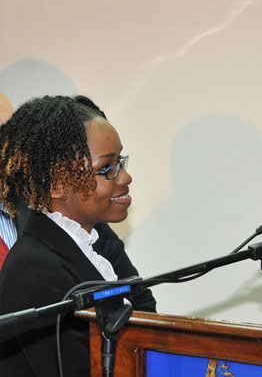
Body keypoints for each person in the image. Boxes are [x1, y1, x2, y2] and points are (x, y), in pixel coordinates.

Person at [0, 95, 156, 376]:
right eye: (107, 169)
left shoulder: (98, 239)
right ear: (56, 185)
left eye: (120, 160)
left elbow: (145, 307)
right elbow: (80, 367)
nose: (125, 178)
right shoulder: (31, 269)